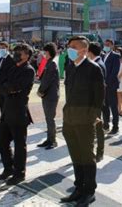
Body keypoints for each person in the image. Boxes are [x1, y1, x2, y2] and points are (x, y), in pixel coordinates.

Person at [60, 36, 105, 206]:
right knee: (75, 155)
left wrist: (91, 117)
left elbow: (99, 96)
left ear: (84, 50)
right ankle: (78, 188)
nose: (69, 49)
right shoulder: (70, 67)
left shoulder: (94, 69)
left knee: (87, 156)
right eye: (68, 46)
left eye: (73, 46)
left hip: (85, 120)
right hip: (70, 118)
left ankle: (89, 191)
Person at [0, 44, 35, 185]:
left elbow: (16, 87)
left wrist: (7, 88)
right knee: (1, 141)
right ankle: (9, 167)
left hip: (19, 112)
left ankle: (20, 173)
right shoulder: (12, 67)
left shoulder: (29, 70)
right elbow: (2, 84)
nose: (17, 54)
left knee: (19, 144)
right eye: (16, 51)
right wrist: (6, 88)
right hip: (7, 110)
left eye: (21, 52)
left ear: (27, 55)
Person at [37, 42, 60, 149]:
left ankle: (53, 140)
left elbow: (47, 81)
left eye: (45, 51)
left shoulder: (52, 64)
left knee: (50, 119)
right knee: (48, 118)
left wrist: (40, 91)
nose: (43, 53)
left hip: (50, 95)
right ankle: (49, 139)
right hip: (48, 95)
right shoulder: (49, 63)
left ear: (49, 52)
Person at [87, 42, 106, 163]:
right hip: (95, 102)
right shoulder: (99, 63)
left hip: (95, 103)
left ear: (90, 52)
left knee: (98, 128)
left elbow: (99, 87)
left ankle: (99, 152)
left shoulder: (97, 65)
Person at [101, 39, 121, 134]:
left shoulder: (115, 56)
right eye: (105, 44)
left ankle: (115, 126)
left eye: (108, 44)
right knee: (104, 106)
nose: (106, 46)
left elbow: (115, 71)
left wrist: (106, 82)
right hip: (103, 86)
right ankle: (106, 125)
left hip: (111, 85)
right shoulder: (102, 55)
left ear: (112, 46)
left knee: (113, 106)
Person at [0, 42, 15, 113]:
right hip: (0, 88)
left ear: (7, 48)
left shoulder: (11, 59)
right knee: (2, 109)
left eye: (3, 48)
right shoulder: (0, 59)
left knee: (8, 110)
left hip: (7, 89)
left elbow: (12, 75)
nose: (1, 50)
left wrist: (7, 86)